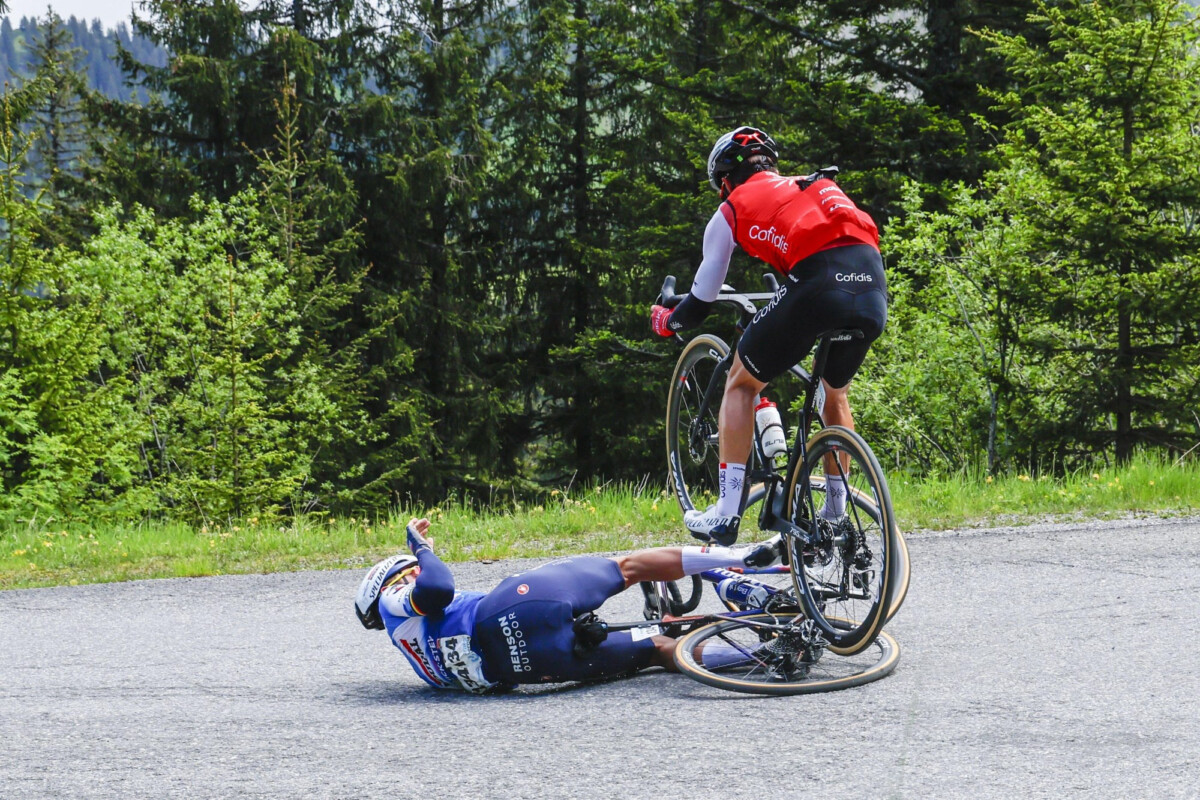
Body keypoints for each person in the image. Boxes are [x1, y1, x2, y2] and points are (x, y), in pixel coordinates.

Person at [649, 126, 887, 546]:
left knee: (740, 383)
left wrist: (669, 320)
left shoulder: (731, 208)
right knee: (835, 395)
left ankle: (725, 515)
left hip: (817, 285)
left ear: (724, 181)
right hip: (871, 287)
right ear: (770, 163)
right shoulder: (808, 184)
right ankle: (835, 514)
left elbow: (701, 301)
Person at [354, 518, 777, 693]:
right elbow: (439, 589)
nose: (414, 574)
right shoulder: (394, 602)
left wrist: (571, 631)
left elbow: (493, 681)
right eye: (408, 571)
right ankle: (744, 560)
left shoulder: (423, 667)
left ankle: (770, 657)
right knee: (628, 567)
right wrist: (421, 548)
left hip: (531, 664)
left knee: (662, 651)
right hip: (508, 609)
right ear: (392, 580)